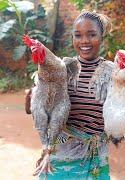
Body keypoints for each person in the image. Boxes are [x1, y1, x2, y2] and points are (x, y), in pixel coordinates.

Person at [26, 10, 112, 179]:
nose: (84, 41)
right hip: (63, 154)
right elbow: (41, 108)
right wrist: (33, 98)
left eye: (92, 34)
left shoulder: (112, 72)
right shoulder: (62, 68)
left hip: (95, 159)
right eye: (78, 35)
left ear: (102, 37)